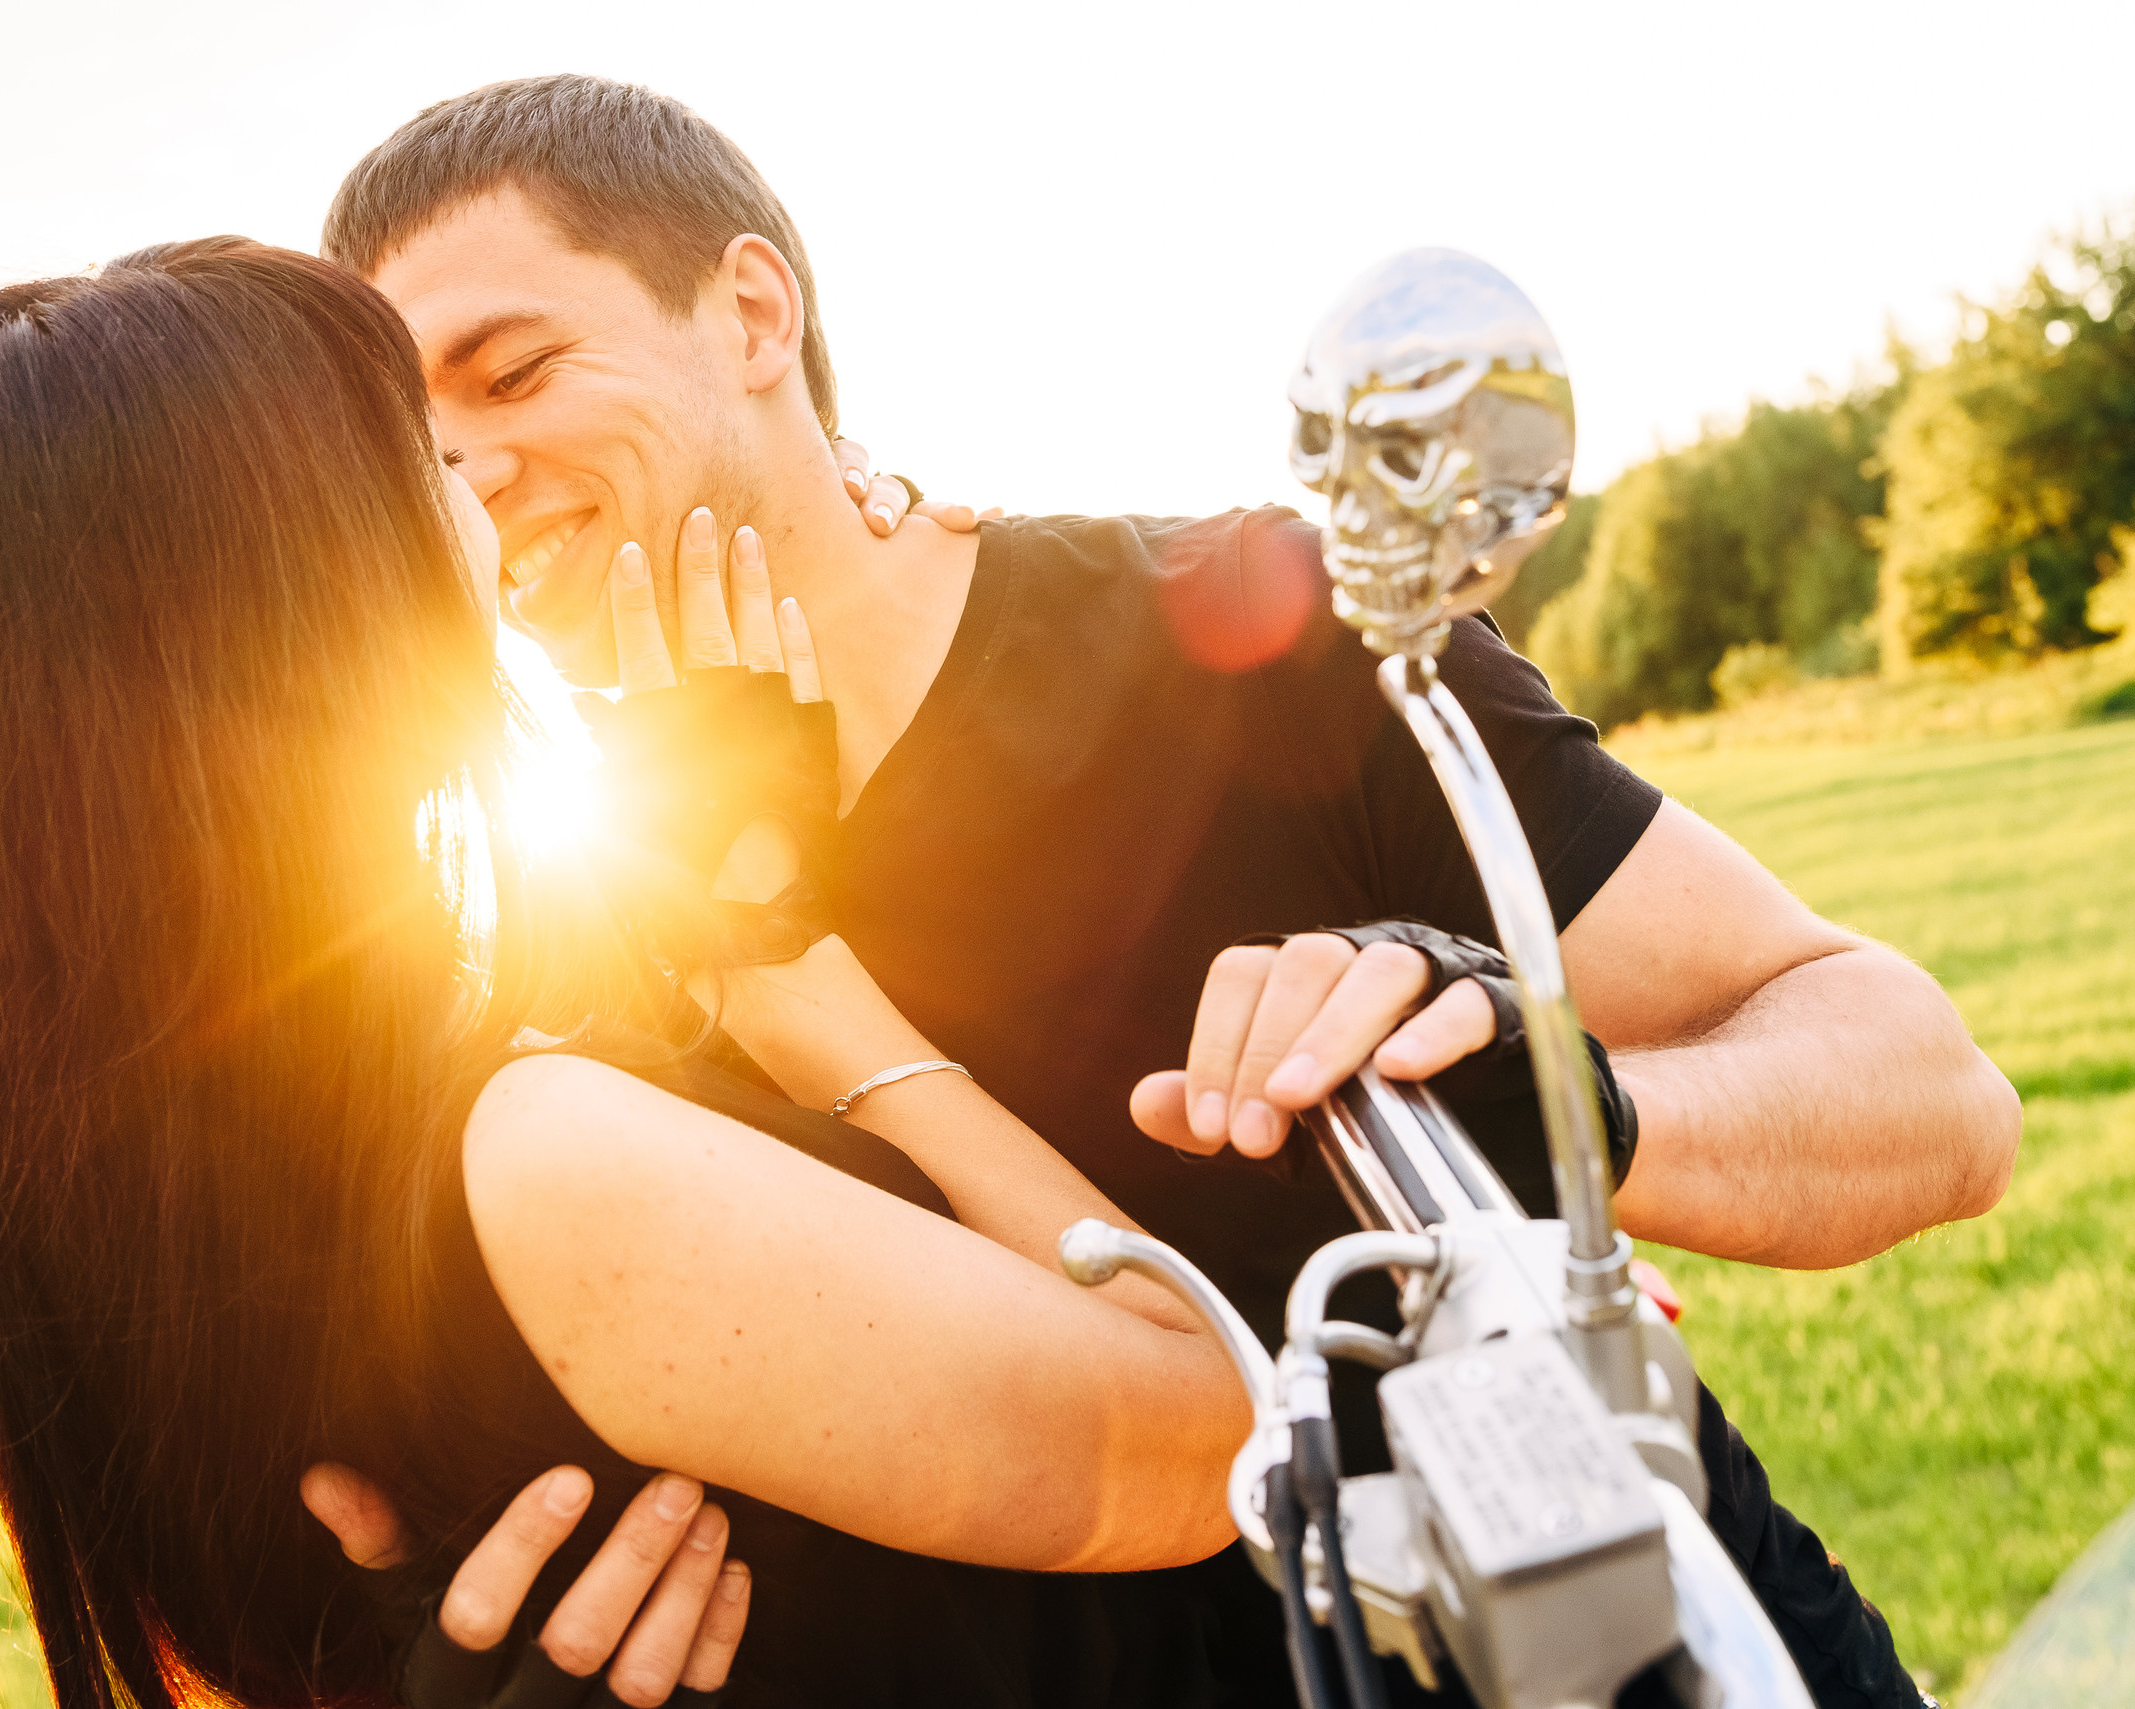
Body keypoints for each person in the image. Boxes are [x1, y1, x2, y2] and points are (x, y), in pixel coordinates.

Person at [304, 74, 2020, 1708]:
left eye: (514, 372)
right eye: (414, 435)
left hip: (1651, 1651)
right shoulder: (553, 970)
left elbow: (1937, 1104)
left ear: (755, 316)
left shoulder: (1254, 641)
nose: (464, 471)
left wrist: (1568, 1105)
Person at [0, 237, 1396, 1709]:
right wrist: (816, 1006)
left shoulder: (168, 1213)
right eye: (417, 451)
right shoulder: (538, 1159)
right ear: (313, 585)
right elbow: (1223, 1432)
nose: (472, 491)